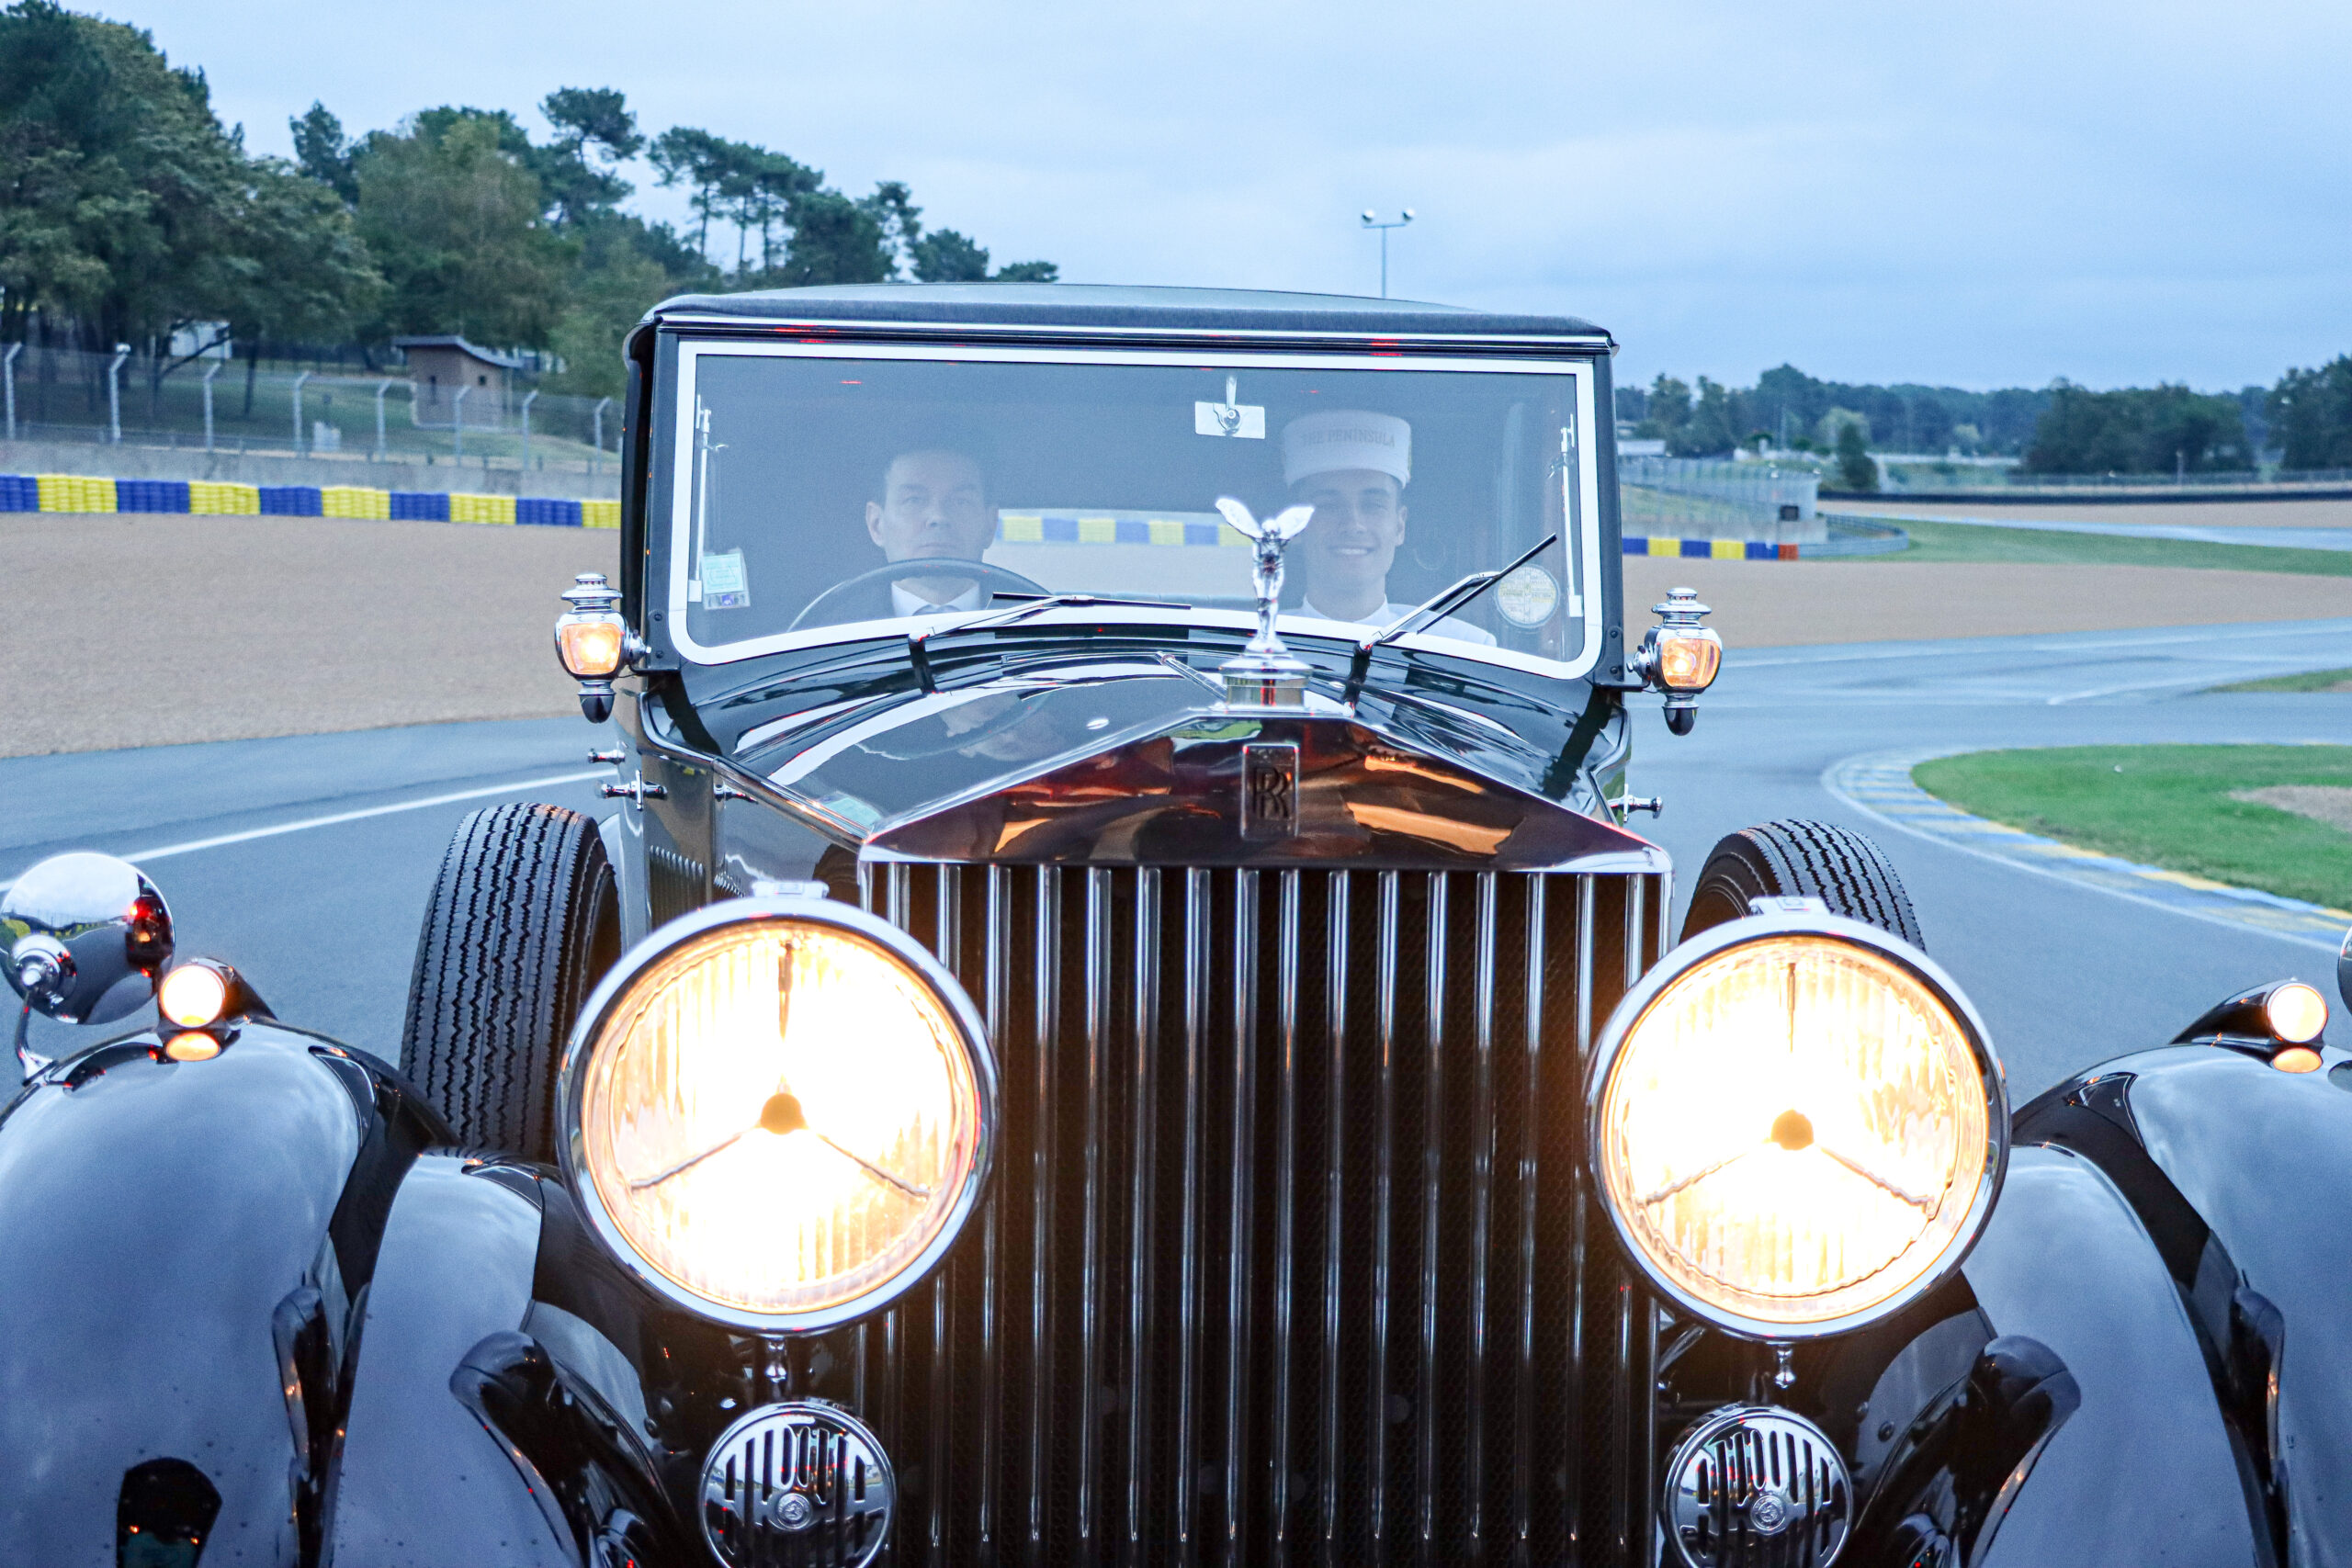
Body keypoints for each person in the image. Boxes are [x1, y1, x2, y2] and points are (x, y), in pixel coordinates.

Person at [1281, 410, 1496, 645]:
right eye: (1329, 506)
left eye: (1373, 505)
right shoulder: (1259, 643)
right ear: (1296, 527)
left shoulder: (1461, 646)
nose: (1353, 525)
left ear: (1400, 526)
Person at [820, 444, 1001, 625]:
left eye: (961, 502)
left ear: (990, 525)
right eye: (913, 500)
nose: (938, 517)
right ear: (876, 524)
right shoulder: (829, 630)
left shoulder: (1018, 619)